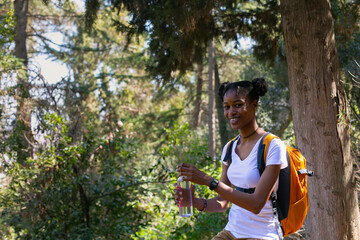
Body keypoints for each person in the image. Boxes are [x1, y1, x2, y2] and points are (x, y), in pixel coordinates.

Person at [175, 78, 287, 240]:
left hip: (263, 235)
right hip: (231, 233)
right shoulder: (229, 148)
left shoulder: (272, 146)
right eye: (226, 107)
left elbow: (256, 204)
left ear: (254, 105)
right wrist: (195, 201)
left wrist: (208, 181)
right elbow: (223, 202)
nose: (231, 112)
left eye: (238, 105)